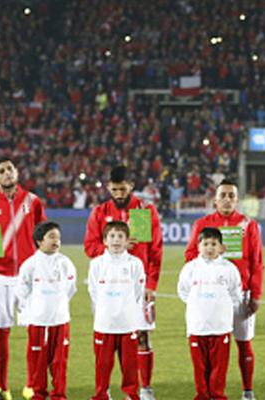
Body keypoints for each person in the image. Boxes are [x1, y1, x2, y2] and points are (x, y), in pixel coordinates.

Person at [0, 158, 47, 400]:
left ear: (17, 172)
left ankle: (32, 385)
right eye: (1, 171)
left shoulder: (32, 201)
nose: (7, 174)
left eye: (10, 169)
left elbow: (43, 233)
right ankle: (2, 388)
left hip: (28, 275)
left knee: (34, 330)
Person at [84, 165, 164, 400]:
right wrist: (110, 247)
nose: (119, 193)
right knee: (108, 340)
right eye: (115, 189)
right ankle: (105, 390)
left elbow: (156, 250)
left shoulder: (144, 211)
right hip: (110, 288)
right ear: (109, 187)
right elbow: (90, 247)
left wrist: (152, 284)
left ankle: (145, 388)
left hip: (138, 285)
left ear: (131, 186)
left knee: (142, 335)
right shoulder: (100, 212)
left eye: (123, 188)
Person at [184, 180, 265, 400]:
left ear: (237, 200)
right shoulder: (202, 224)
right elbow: (190, 255)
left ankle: (247, 391)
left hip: (241, 294)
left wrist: (256, 294)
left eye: (231, 195)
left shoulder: (249, 225)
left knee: (243, 342)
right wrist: (213, 257)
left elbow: (257, 262)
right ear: (215, 200)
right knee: (210, 344)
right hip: (209, 296)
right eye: (223, 195)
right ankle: (209, 392)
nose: (227, 199)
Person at [177, 227, 242, 400]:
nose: (210, 248)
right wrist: (198, 306)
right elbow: (183, 292)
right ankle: (202, 395)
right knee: (200, 367)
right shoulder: (190, 268)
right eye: (205, 244)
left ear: (221, 247)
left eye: (214, 244)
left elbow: (236, 295)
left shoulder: (229, 269)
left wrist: (222, 310)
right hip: (197, 326)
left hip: (220, 327)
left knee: (219, 367)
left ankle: (218, 395)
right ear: (198, 246)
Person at [16, 222, 76, 400]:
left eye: (58, 237)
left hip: (60, 319)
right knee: (38, 361)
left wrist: (57, 304)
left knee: (60, 361)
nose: (56, 241)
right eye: (51, 237)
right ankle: (39, 394)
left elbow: (70, 288)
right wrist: (36, 309)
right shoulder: (30, 265)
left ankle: (59, 394)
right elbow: (22, 291)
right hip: (38, 321)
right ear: (39, 241)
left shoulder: (65, 263)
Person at [87, 221, 146, 400]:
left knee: (129, 365)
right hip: (104, 324)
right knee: (102, 365)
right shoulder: (97, 264)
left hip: (128, 324)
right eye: (112, 236)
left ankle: (130, 394)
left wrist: (126, 309)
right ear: (105, 240)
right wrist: (106, 309)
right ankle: (101, 394)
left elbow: (138, 292)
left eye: (120, 236)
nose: (116, 240)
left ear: (127, 240)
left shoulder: (135, 264)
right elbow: (93, 291)